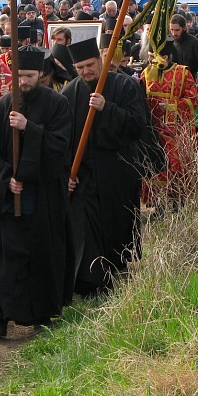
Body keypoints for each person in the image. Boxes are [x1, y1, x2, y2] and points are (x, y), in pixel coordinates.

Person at [0, 45, 73, 337]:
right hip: (7, 199)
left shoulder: (57, 104)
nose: (23, 81)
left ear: (41, 74)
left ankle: (41, 313)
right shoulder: (2, 106)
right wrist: (7, 178)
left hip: (42, 196)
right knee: (3, 257)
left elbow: (59, 148)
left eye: (29, 76)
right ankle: (0, 316)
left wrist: (29, 128)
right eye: (19, 76)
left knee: (41, 255)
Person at [62, 37, 148, 296]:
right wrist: (67, 170)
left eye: (90, 65)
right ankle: (91, 280)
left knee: (116, 223)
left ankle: (116, 268)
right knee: (86, 227)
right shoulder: (69, 93)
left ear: (101, 61)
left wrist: (106, 108)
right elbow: (62, 137)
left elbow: (138, 125)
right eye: (80, 68)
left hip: (117, 171)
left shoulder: (125, 85)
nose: (86, 71)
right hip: (85, 174)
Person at [141, 38, 198, 206]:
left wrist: (172, 105)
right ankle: (157, 203)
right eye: (149, 56)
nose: (150, 60)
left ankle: (178, 201)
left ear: (165, 57)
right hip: (153, 129)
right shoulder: (146, 73)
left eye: (153, 57)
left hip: (176, 130)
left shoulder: (183, 73)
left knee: (176, 165)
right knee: (154, 165)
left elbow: (193, 100)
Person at [168, 13, 198, 92]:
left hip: (190, 84)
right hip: (173, 84)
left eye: (177, 30)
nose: (174, 33)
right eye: (172, 30)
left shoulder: (194, 43)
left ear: (184, 28)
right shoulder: (170, 42)